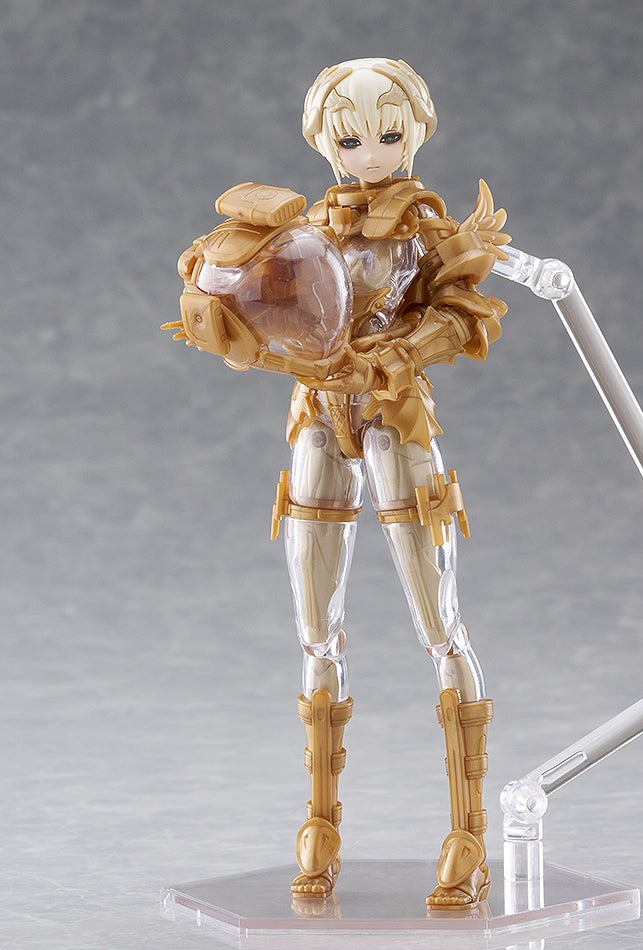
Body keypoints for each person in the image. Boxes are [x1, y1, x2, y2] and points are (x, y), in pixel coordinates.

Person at [166, 57, 510, 910]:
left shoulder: (424, 230)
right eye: (351, 138)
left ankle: (468, 833)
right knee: (316, 632)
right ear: (324, 140)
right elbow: (265, 302)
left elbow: (461, 313)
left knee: (440, 626)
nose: (371, 152)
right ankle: (319, 824)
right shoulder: (306, 225)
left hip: (395, 413)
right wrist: (225, 300)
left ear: (417, 129)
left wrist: (394, 356)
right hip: (319, 412)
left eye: (388, 132)